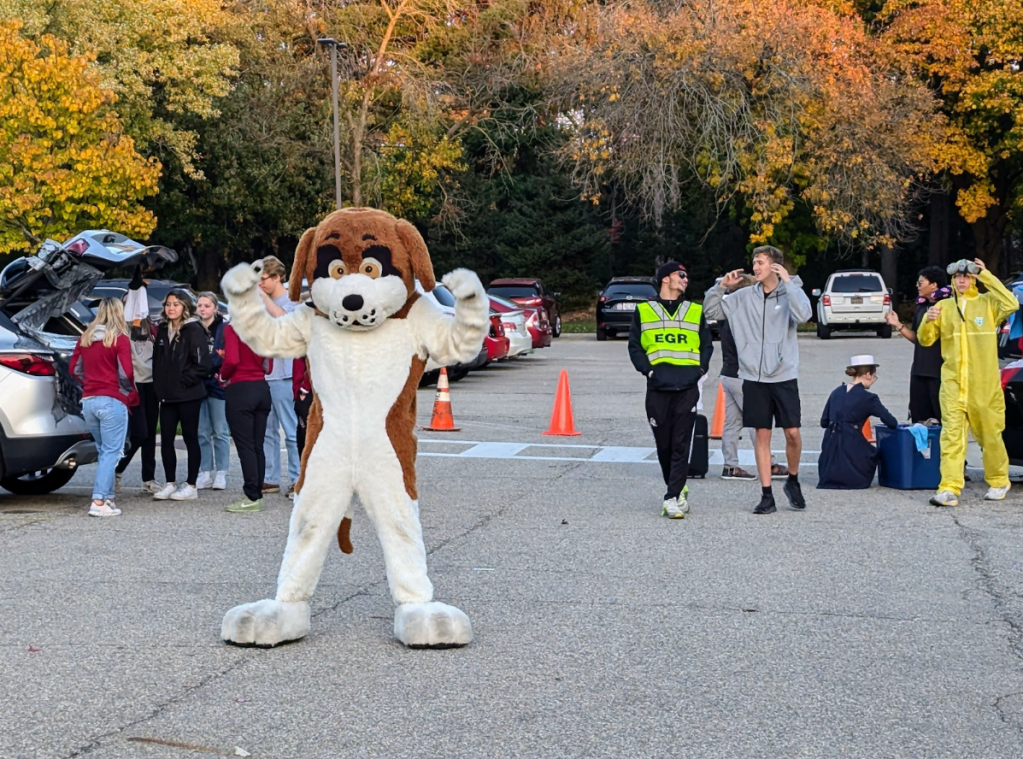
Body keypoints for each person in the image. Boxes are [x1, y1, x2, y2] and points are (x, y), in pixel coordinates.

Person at [704, 245, 813, 515]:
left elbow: (804, 315)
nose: (755, 266)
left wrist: (789, 283)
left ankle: (793, 480)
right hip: (752, 377)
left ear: (774, 266)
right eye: (754, 261)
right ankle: (767, 495)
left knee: (793, 434)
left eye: (761, 262)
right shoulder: (743, 297)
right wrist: (720, 286)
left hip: (784, 376)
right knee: (761, 435)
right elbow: (711, 312)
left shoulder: (788, 294)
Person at [917, 258, 1018, 507]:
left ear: (973, 279)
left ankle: (998, 480)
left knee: (990, 436)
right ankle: (949, 488)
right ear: (952, 279)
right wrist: (928, 319)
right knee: (951, 436)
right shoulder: (944, 307)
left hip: (983, 386)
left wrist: (986, 275)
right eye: (958, 277)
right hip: (952, 384)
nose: (962, 281)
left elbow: (1011, 302)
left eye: (968, 277)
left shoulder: (987, 304)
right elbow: (925, 340)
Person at [628, 261, 713, 518]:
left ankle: (671, 497)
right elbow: (634, 347)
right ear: (666, 279)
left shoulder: (694, 310)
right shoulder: (644, 311)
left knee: (681, 444)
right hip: (658, 386)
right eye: (681, 275)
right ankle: (677, 487)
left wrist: (699, 371)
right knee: (663, 445)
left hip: (687, 386)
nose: (686, 280)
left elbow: (707, 346)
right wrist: (649, 371)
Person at [69, 298, 138, 516]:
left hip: (89, 400)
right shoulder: (119, 339)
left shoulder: (85, 338)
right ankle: (98, 501)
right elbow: (126, 372)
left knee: (103, 451)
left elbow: (74, 370)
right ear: (119, 313)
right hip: (112, 398)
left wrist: (89, 384)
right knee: (112, 451)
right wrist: (130, 392)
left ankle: (107, 498)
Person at [718, 274, 785, 481]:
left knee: (732, 423)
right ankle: (769, 463)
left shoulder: (726, 315)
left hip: (727, 374)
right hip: (743, 375)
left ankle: (730, 465)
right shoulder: (743, 318)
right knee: (757, 421)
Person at [152, 290, 210, 501]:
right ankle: (169, 482)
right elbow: (157, 362)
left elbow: (203, 364)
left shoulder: (193, 330)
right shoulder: (162, 329)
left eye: (176, 304)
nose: (171, 308)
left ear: (185, 307)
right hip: (167, 395)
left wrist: (184, 381)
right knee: (166, 438)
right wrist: (159, 386)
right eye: (168, 304)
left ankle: (192, 484)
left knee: (190, 437)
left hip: (188, 394)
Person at [817, 356, 898, 490]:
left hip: (829, 455)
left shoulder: (836, 392)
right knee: (876, 452)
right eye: (874, 376)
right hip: (852, 449)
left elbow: (824, 422)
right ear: (867, 375)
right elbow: (891, 422)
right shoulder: (869, 398)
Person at [258, 255, 301, 497]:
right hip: (264, 374)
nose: (260, 285)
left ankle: (297, 478)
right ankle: (270, 477)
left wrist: (263, 299)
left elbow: (284, 321)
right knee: (267, 430)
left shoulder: (293, 301)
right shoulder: (260, 303)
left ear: (277, 278)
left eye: (263, 280)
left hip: (285, 374)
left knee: (292, 430)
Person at [884, 266, 949, 423]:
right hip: (919, 370)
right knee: (919, 418)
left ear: (934, 285)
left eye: (921, 282)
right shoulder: (921, 307)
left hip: (939, 371)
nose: (917, 285)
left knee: (942, 417)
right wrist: (898, 324)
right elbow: (917, 338)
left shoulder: (948, 306)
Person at [220, 323, 273, 512]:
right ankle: (256, 491)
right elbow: (269, 364)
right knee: (257, 445)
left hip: (241, 388)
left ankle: (251, 495)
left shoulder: (233, 327)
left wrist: (222, 375)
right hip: (261, 386)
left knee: (245, 445)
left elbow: (232, 360)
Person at [195, 292, 230, 490]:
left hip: (218, 382)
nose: (203, 309)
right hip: (198, 382)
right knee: (201, 430)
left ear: (215, 308)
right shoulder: (193, 328)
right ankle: (205, 471)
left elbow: (228, 356)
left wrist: (220, 374)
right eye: (200, 305)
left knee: (220, 429)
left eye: (207, 305)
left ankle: (222, 471)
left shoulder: (224, 328)